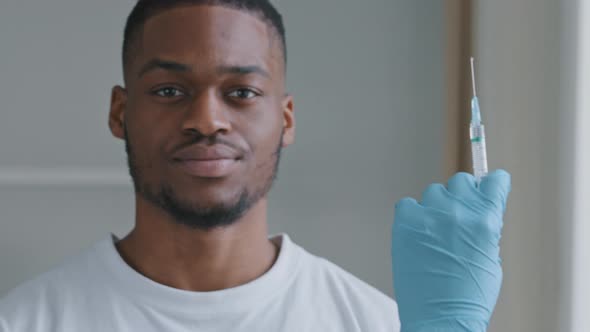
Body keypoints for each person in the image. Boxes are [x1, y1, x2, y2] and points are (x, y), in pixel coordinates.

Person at [0, 1, 511, 331]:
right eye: (169, 91)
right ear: (120, 112)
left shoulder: (371, 323)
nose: (206, 120)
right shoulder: (26, 321)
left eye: (241, 92)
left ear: (285, 118)